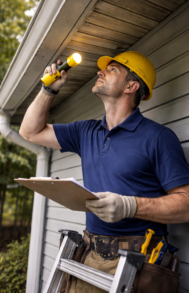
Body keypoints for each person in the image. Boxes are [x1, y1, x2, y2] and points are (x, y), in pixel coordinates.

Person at [19, 51, 189, 293]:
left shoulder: (158, 138)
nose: (100, 71)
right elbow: (30, 132)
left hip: (137, 264)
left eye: (112, 70)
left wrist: (130, 206)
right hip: (89, 255)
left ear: (132, 85)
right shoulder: (85, 131)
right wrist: (49, 90)